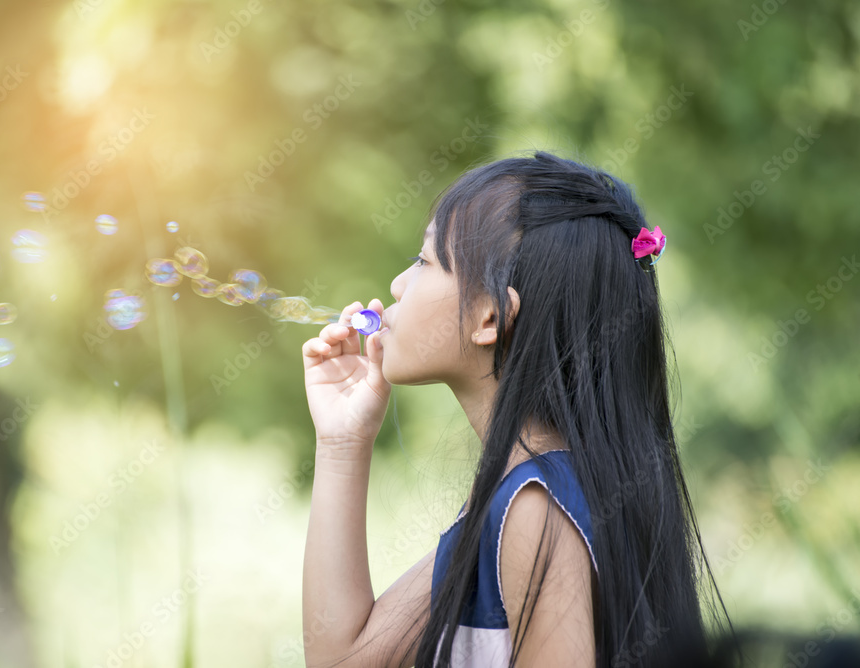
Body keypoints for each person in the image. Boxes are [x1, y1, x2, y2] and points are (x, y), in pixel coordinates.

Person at [300, 150, 730, 667]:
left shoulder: (536, 507)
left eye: (424, 261)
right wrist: (343, 443)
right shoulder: (518, 499)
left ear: (489, 316)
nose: (396, 285)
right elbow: (345, 660)